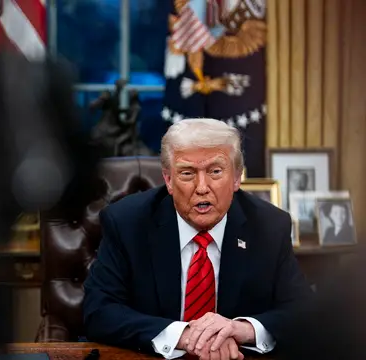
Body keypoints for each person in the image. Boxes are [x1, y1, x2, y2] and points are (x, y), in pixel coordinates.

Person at [83, 118, 311, 360]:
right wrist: (184, 336)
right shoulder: (127, 223)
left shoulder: (269, 227)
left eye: (215, 171)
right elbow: (99, 311)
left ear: (236, 178)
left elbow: (304, 313)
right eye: (187, 173)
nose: (202, 187)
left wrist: (241, 330)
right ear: (169, 180)